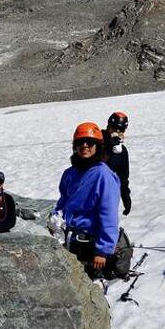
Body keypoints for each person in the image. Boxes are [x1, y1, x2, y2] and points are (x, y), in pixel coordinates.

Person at [54, 122, 120, 277]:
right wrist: (55, 217)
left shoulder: (103, 176)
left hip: (91, 245)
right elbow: (63, 202)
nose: (84, 146)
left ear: (97, 146)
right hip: (69, 240)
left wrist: (103, 251)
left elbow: (109, 215)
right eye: (80, 142)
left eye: (90, 142)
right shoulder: (70, 174)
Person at [102, 111, 132, 216]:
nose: (118, 132)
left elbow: (123, 178)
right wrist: (108, 146)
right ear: (108, 127)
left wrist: (126, 199)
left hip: (103, 195)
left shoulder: (121, 151)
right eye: (115, 128)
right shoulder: (96, 141)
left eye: (121, 130)